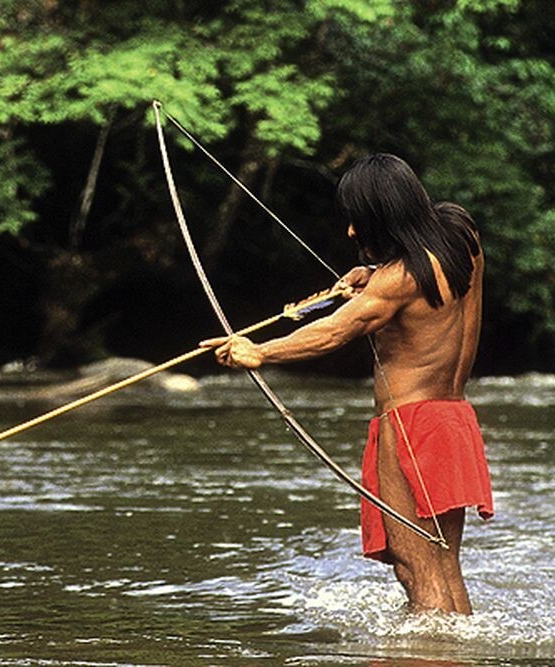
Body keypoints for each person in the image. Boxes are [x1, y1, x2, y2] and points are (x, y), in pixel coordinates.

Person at [200, 154, 493, 614]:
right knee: (443, 563)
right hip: (452, 421)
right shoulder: (461, 236)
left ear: (384, 217)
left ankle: (426, 659)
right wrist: (372, 274)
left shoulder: (398, 281)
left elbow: (335, 331)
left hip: (410, 426)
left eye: (359, 221)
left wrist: (257, 352)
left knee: (415, 569)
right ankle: (455, 655)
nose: (352, 233)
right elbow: (414, 280)